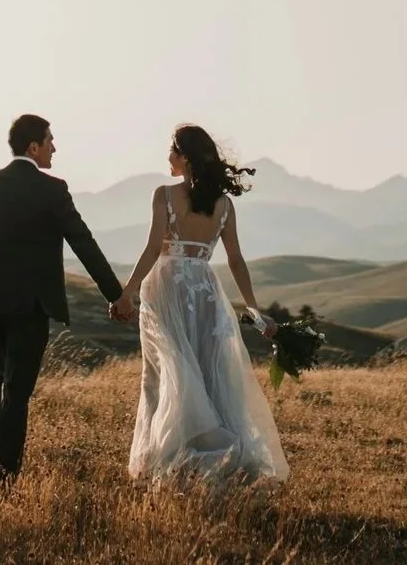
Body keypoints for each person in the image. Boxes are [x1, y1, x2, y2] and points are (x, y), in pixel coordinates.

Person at [0, 114, 130, 488]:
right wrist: (115, 295)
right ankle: (4, 476)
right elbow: (83, 243)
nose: (55, 147)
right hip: (32, 305)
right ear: (33, 147)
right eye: (50, 140)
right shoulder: (53, 190)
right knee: (17, 391)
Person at [114, 124, 289, 488]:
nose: (168, 158)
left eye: (172, 151)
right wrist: (254, 310)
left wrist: (128, 291)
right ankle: (210, 457)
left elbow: (152, 248)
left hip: (166, 290)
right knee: (208, 375)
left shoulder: (163, 195)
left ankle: (171, 458)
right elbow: (237, 261)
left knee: (166, 373)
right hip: (205, 292)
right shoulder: (224, 205)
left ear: (185, 157)